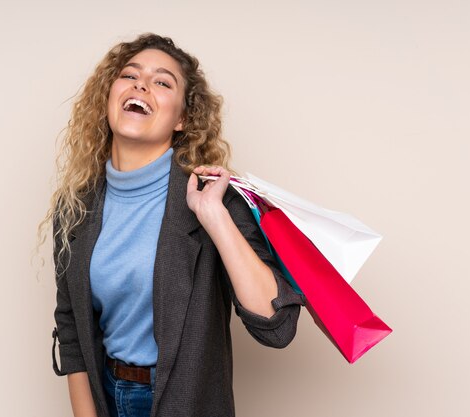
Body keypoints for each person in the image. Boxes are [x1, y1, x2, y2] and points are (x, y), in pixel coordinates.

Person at [42, 33, 304, 417]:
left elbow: (277, 326)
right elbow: (71, 329)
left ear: (182, 118)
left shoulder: (213, 199)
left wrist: (214, 217)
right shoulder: (76, 208)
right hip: (106, 396)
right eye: (130, 76)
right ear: (109, 97)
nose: (142, 84)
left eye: (163, 82)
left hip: (188, 402)